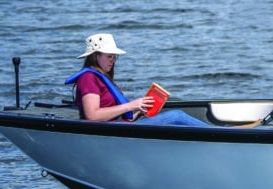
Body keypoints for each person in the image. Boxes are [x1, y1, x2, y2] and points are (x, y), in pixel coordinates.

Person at [64, 33, 207, 126]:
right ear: (96, 56)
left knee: (175, 116)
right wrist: (131, 105)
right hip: (111, 132)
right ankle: (218, 133)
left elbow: (119, 115)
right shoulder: (88, 78)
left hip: (120, 126)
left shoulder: (101, 77)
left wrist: (140, 109)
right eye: (109, 56)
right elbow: (92, 116)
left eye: (115, 57)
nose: (113, 60)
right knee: (176, 116)